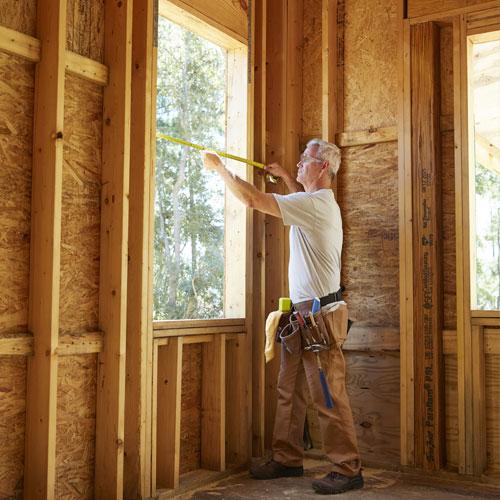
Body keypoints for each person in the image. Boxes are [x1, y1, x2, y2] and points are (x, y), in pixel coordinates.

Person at [201, 139, 362, 495]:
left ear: (322, 168)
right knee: (288, 388)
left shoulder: (317, 205)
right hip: (302, 316)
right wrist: (289, 177)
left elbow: (252, 200)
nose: (300, 162)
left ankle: (348, 468)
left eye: (306, 160)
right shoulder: (313, 203)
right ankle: (287, 458)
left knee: (327, 393)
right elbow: (297, 198)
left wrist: (220, 169)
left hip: (319, 319)